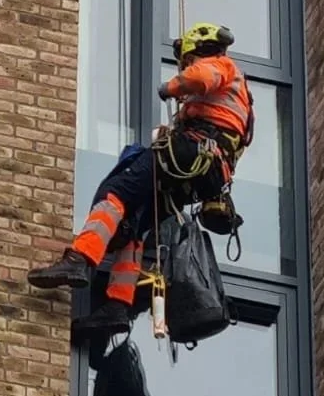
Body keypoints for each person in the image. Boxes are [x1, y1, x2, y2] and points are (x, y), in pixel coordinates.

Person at [28, 22, 254, 333]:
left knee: (116, 192)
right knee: (136, 222)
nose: (187, 65)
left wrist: (171, 88)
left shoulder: (220, 65)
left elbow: (200, 78)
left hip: (192, 151)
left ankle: (80, 258)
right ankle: (118, 305)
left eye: (186, 59)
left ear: (196, 48)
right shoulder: (240, 98)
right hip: (207, 173)